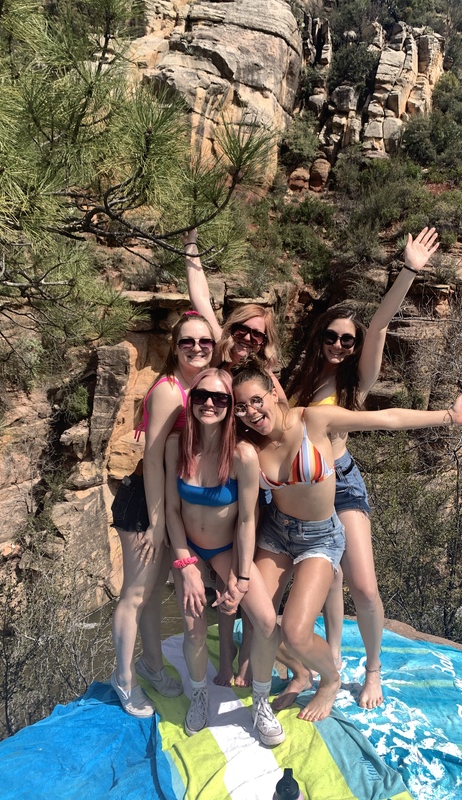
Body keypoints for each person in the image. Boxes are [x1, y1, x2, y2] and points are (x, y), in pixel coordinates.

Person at [232, 359, 462, 722]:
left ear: (274, 391)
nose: (251, 413)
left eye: (256, 400)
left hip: (319, 538)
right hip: (276, 533)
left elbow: (385, 419)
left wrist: (449, 415)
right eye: (241, 407)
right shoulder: (249, 446)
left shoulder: (313, 420)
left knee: (295, 630)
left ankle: (330, 680)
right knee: (258, 618)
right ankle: (299, 673)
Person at [284, 227, 439, 709]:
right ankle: (323, 661)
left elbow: (379, 326)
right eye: (331, 336)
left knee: (364, 588)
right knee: (320, 581)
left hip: (343, 482)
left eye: (346, 341)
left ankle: (372, 669)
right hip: (299, 488)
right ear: (319, 336)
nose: (339, 345)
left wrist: (408, 270)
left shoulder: (357, 382)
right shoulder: (296, 378)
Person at [182, 228, 286, 687]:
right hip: (206, 481)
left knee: (242, 583)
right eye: (242, 328)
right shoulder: (217, 363)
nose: (247, 337)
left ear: (265, 342)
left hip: (247, 486)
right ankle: (225, 664)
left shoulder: (264, 377)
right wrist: (190, 246)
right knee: (225, 587)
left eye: (257, 335)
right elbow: (199, 293)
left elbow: (281, 424)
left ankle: (245, 663)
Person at [164, 368, 284, 745]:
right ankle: (199, 694)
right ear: (192, 401)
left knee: (266, 622)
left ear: (232, 406)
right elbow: (171, 510)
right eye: (202, 396)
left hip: (226, 549)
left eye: (220, 398)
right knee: (194, 630)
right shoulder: (177, 446)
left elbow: (248, 518)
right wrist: (185, 567)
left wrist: (242, 575)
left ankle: (260, 701)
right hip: (189, 551)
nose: (210, 404)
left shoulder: (242, 455)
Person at [110, 311, 216, 716]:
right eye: (187, 342)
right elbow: (152, 461)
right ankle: (124, 680)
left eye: (204, 342)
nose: (197, 348)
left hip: (173, 501)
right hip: (146, 501)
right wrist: (156, 524)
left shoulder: (199, 386)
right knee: (136, 593)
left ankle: (151, 664)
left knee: (154, 593)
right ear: (175, 347)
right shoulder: (170, 392)